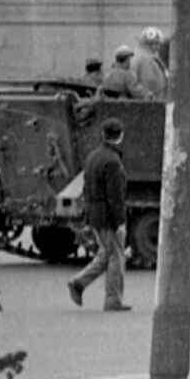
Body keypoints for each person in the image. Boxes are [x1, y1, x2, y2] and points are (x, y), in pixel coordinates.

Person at [67, 118, 131, 312]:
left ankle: (78, 283)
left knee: (107, 254)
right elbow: (115, 196)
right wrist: (120, 221)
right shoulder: (113, 161)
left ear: (103, 135)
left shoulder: (93, 156)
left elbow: (86, 189)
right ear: (120, 136)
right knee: (116, 258)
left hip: (95, 215)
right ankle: (113, 300)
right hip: (108, 218)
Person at [132, 26, 169, 100]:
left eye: (158, 44)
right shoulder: (146, 59)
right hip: (152, 101)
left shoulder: (149, 58)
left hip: (155, 99)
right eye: (156, 44)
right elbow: (149, 81)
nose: (158, 47)